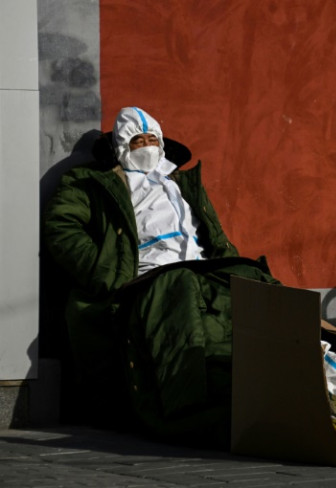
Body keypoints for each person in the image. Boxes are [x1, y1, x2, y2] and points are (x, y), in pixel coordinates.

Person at [43, 107, 279, 447]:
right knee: (176, 289)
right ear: (121, 147)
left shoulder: (180, 182)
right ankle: (190, 411)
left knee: (256, 279)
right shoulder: (93, 183)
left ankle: (304, 370)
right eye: (137, 140)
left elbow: (213, 232)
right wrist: (105, 274)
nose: (147, 144)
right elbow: (61, 226)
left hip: (201, 269)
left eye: (153, 138)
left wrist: (233, 270)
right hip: (149, 277)